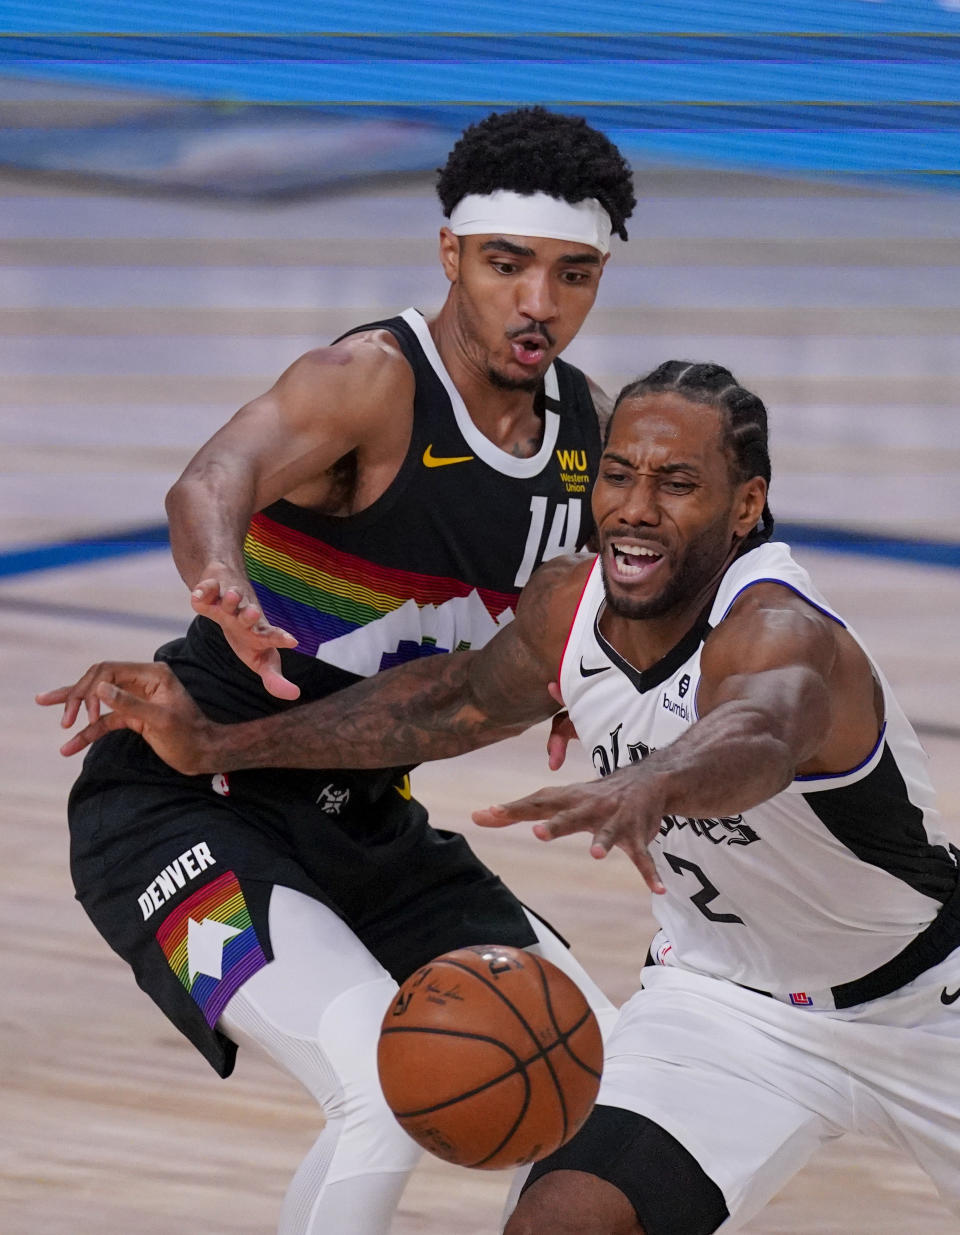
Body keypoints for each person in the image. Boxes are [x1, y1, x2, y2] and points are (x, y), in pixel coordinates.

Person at [45, 361, 960, 1235]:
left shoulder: (780, 630)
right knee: (562, 1218)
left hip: (928, 997)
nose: (635, 510)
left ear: (745, 505)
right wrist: (219, 743)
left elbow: (760, 730)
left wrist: (655, 779)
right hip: (723, 1006)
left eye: (677, 483)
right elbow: (451, 702)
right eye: (618, 475)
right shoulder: (576, 606)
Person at [38, 108, 636, 1235]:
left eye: (573, 273)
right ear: (453, 252)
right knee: (379, 1090)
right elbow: (214, 474)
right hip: (181, 799)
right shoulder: (368, 379)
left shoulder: (587, 430)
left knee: (595, 1083)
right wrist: (221, 570)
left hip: (366, 818)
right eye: (508, 265)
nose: (538, 302)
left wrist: (598, 679)